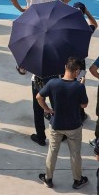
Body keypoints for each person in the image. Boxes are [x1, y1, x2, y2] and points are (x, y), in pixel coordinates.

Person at [37, 58, 89, 189]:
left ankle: (48, 178)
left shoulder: (53, 83)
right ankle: (78, 180)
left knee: (52, 151)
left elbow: (39, 97)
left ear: (65, 67)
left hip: (56, 124)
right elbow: (84, 104)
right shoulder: (79, 87)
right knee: (75, 154)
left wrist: (47, 109)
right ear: (77, 71)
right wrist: (82, 85)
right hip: (74, 126)